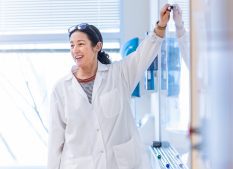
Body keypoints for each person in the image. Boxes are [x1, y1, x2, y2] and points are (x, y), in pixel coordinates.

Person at [47, 4, 171, 169]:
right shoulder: (60, 89)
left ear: (97, 46)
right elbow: (55, 141)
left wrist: (160, 26)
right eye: (72, 45)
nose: (75, 49)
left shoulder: (119, 74)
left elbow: (144, 54)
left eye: (81, 44)